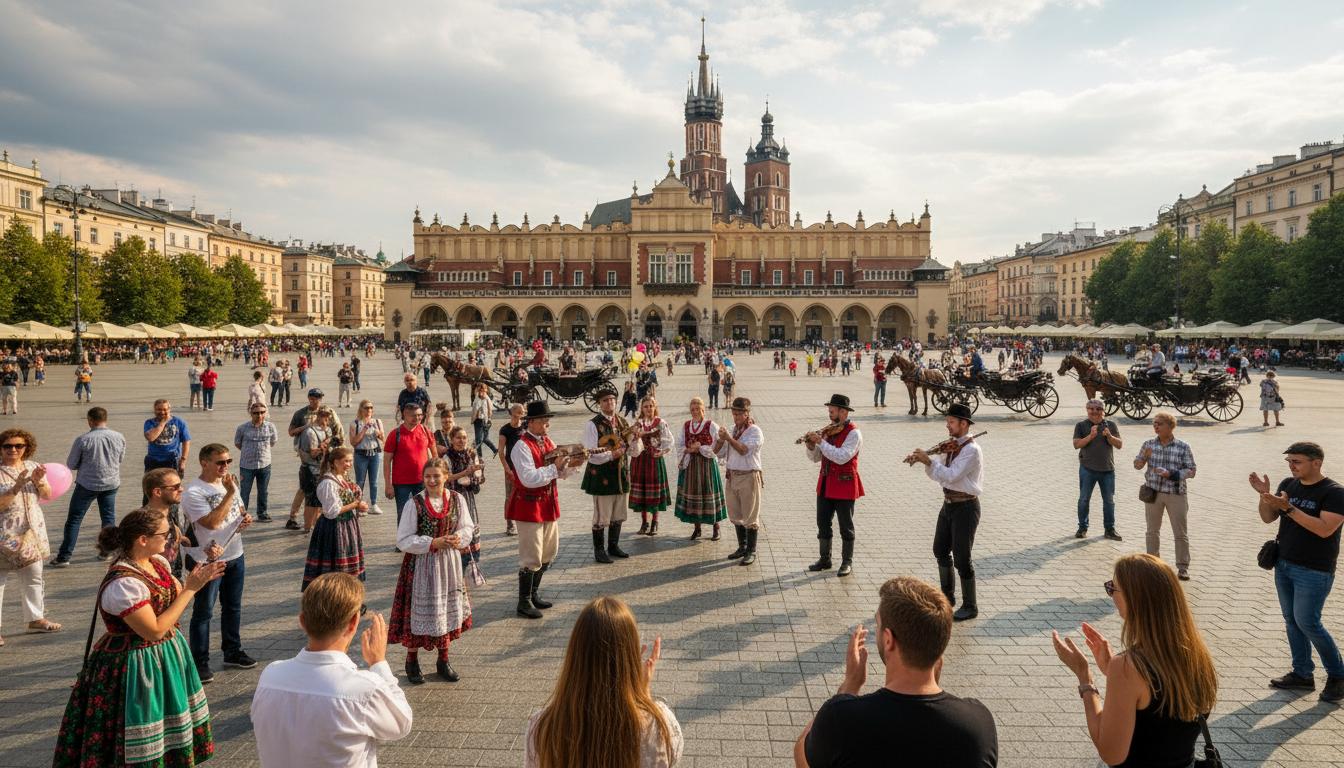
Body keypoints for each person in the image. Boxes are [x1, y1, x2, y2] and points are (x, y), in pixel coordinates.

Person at [53, 509, 225, 767]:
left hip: (166, 655)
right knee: (139, 725)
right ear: (142, 539)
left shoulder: (158, 562)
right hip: (134, 664)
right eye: (165, 534)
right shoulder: (123, 584)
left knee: (168, 723)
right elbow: (153, 629)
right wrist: (191, 589)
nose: (169, 538)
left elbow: (173, 600)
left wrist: (199, 576)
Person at [795, 576, 997, 767]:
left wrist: (850, 685)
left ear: (889, 639)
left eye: (878, 624)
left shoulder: (842, 719)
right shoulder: (978, 725)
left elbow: (802, 757)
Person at [1051, 554, 1218, 766]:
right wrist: (1111, 671)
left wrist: (1085, 679)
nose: (1110, 595)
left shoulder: (1128, 668)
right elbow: (1163, 717)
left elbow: (1111, 753)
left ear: (1135, 598)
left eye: (1113, 587)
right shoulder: (1196, 656)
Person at [251, 572, 413, 766]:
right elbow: (401, 723)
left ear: (302, 621)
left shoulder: (270, 676)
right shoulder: (364, 690)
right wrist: (379, 663)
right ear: (353, 622)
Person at [526, 595, 681, 767]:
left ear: (575, 655)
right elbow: (670, 759)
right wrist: (643, 694)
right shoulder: (661, 725)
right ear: (629, 657)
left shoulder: (542, 728)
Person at [1250, 441, 1344, 701]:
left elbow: (1324, 529)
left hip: (1315, 570)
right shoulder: (1288, 485)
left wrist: (1288, 508)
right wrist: (1265, 496)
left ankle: (1338, 675)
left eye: (1297, 461)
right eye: (1289, 462)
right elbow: (1268, 518)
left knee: (1308, 622)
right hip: (1284, 564)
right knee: (1292, 620)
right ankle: (1302, 674)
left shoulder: (1334, 492)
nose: (1292, 466)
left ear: (1317, 462)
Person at [390, 458, 477, 683]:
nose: (431, 480)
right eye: (427, 476)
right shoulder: (415, 503)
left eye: (436, 476)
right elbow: (403, 539)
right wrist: (431, 543)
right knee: (418, 612)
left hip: (448, 563)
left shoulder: (457, 499)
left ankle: (443, 659)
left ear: (446, 476)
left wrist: (459, 538)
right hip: (421, 565)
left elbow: (467, 526)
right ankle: (411, 660)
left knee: (444, 611)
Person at [181, 443, 256, 682]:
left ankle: (232, 651)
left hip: (235, 553)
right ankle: (199, 662)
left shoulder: (229, 483)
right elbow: (211, 523)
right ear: (204, 462)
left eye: (228, 462)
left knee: (232, 607)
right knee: (203, 612)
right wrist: (231, 493)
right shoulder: (194, 491)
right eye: (220, 462)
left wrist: (244, 518)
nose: (225, 466)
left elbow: (240, 509)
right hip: (206, 559)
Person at [904, 403, 983, 620]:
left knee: (962, 558)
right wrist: (926, 463)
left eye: (951, 422)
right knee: (940, 549)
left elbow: (951, 475)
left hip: (966, 506)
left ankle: (970, 605)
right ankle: (947, 597)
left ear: (964, 424)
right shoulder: (951, 446)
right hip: (948, 504)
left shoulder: (971, 450)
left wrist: (929, 460)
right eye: (947, 421)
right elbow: (938, 475)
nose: (947, 425)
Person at [508, 401, 584, 619]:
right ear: (531, 422)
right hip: (529, 505)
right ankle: (523, 601)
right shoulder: (521, 446)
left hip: (548, 503)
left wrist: (572, 465)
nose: (547, 423)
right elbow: (529, 478)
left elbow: (558, 474)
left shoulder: (547, 441)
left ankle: (534, 594)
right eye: (543, 420)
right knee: (531, 556)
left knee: (549, 552)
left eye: (547, 420)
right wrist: (555, 467)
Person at [0, 428, 61, 643]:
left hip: (31, 532)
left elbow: (47, 495)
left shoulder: (33, 466)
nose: (13, 450)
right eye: (7, 446)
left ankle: (35, 619)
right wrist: (16, 486)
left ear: (27, 448)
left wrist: (39, 481)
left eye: (18, 446)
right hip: (4, 534)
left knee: (34, 575)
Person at [53, 407, 126, 566]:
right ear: (105, 419)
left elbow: (71, 464)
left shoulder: (83, 440)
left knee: (74, 520)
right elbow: (120, 459)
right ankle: (106, 552)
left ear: (90, 420)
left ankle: (64, 557)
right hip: (111, 483)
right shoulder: (119, 437)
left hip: (87, 484)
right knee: (108, 518)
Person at [804, 394, 864, 578]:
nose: (829, 413)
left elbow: (841, 457)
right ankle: (825, 559)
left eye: (832, 410)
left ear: (843, 412)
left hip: (844, 484)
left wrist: (820, 441)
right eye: (829, 410)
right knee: (822, 523)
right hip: (825, 483)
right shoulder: (828, 431)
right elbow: (815, 459)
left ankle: (847, 562)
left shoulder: (854, 433)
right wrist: (811, 446)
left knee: (846, 525)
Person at [1134, 412, 1197, 581]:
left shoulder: (1183, 446)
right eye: (1154, 423)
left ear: (1170, 426)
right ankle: (1153, 565)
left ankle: (1183, 567)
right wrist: (1144, 457)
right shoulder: (1148, 444)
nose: (1156, 426)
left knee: (1180, 532)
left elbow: (1192, 470)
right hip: (1153, 493)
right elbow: (1137, 465)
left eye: (1160, 424)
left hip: (1176, 494)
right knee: (1152, 531)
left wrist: (1172, 474)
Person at [582, 388, 643, 563]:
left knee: (618, 513)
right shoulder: (593, 424)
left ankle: (613, 546)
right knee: (602, 515)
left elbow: (634, 452)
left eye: (612, 400)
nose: (609, 403)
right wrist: (612, 455)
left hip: (621, 475)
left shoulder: (623, 422)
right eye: (605, 400)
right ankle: (599, 550)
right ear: (599, 404)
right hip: (602, 476)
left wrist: (636, 439)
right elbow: (590, 454)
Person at [303, 446, 367, 590]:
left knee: (345, 567)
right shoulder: (328, 483)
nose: (349, 465)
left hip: (347, 527)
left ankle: (348, 597)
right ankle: (333, 598)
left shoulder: (340, 477)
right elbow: (333, 511)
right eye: (346, 461)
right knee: (334, 567)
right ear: (335, 462)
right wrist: (356, 504)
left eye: (351, 461)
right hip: (334, 529)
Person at [717, 396, 763, 566]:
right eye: (734, 414)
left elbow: (744, 450)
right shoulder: (732, 429)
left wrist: (728, 438)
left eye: (738, 414)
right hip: (732, 475)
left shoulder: (754, 431)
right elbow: (718, 453)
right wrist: (720, 439)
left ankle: (751, 550)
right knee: (735, 514)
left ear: (746, 413)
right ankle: (742, 546)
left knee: (750, 515)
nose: (735, 417)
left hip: (748, 475)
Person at [674, 396, 727, 542]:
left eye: (698, 409)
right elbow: (679, 444)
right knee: (694, 494)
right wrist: (688, 450)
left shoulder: (711, 425)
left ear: (703, 409)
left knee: (708, 493)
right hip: (691, 466)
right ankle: (697, 528)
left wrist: (701, 448)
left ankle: (716, 527)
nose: (695, 412)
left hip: (707, 466)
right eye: (692, 409)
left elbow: (718, 446)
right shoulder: (686, 426)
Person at [1073, 399, 1123, 541]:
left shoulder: (1110, 425)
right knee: (1084, 499)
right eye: (1091, 409)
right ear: (1087, 410)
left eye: (1098, 409)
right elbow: (1076, 444)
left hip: (1107, 469)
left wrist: (1109, 436)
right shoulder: (1081, 425)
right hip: (1087, 468)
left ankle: (1110, 529)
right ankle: (1082, 528)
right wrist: (1091, 436)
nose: (1095, 412)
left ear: (1103, 411)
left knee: (1109, 501)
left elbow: (1119, 445)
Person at [383, 403, 435, 525]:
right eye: (413, 415)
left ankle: (422, 541)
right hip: (401, 484)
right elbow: (386, 462)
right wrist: (388, 485)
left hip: (423, 482)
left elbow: (435, 457)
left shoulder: (425, 431)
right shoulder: (395, 434)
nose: (417, 418)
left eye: (419, 415)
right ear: (404, 415)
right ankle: (403, 543)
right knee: (403, 515)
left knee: (425, 514)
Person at [442, 425, 485, 568]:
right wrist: (465, 472)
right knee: (456, 524)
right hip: (453, 495)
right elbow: (446, 478)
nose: (462, 440)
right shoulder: (447, 456)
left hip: (468, 494)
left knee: (470, 523)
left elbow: (478, 475)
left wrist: (478, 475)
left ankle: (471, 557)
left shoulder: (472, 454)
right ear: (452, 440)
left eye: (464, 437)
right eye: (458, 438)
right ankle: (457, 558)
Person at [630, 395, 673, 536]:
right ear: (642, 408)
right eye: (646, 406)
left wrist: (662, 452)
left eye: (651, 406)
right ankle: (644, 522)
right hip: (640, 460)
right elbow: (630, 442)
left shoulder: (660, 422)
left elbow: (669, 441)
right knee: (642, 492)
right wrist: (634, 436)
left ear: (655, 407)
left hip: (654, 460)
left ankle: (655, 522)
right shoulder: (638, 423)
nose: (649, 408)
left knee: (654, 493)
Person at [233, 402, 278, 523]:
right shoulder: (242, 428)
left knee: (263, 490)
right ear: (250, 413)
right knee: (245, 491)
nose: (259, 415)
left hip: (265, 464)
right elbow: (237, 443)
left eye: (262, 412)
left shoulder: (271, 427)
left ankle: (262, 513)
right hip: (247, 465)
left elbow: (273, 442)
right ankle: (241, 515)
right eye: (256, 413)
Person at [286, 388, 326, 526]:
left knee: (322, 487)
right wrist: (307, 426)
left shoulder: (326, 412)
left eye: (319, 397)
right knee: (304, 488)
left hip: (324, 457)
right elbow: (291, 432)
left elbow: (336, 430)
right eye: (314, 397)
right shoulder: (301, 413)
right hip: (307, 456)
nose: (316, 400)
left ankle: (319, 518)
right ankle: (293, 517)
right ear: (309, 398)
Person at [142, 467, 188, 579]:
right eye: (175, 487)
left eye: (180, 485)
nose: (181, 489)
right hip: (157, 582)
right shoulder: (144, 522)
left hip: (176, 577)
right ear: (157, 492)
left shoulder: (173, 509)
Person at [298, 407, 337, 533]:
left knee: (320, 500)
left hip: (322, 469)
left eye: (329, 417)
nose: (327, 420)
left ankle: (316, 527)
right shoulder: (310, 432)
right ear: (318, 416)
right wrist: (323, 447)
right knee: (311, 501)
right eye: (324, 416)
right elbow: (313, 453)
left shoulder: (328, 430)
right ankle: (307, 528)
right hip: (310, 469)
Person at [349, 400, 386, 516]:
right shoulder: (355, 423)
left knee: (374, 481)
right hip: (361, 454)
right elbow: (353, 442)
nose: (369, 410)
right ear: (361, 409)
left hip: (374, 453)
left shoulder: (377, 422)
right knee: (360, 481)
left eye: (371, 408)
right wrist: (364, 430)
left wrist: (378, 432)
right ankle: (358, 505)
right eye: (366, 408)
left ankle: (373, 504)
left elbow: (383, 439)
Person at [144, 399, 192, 480]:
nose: (162, 412)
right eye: (159, 409)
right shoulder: (149, 423)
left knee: (171, 487)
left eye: (165, 409)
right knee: (150, 487)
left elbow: (186, 441)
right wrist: (163, 423)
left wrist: (183, 460)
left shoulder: (179, 422)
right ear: (154, 410)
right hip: (153, 460)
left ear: (169, 409)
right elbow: (151, 437)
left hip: (172, 460)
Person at [497, 403, 526, 536]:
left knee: (524, 494)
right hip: (511, 467)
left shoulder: (525, 427)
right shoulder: (505, 429)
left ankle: (523, 520)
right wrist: (506, 468)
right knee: (510, 496)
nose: (519, 416)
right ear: (512, 413)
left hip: (525, 467)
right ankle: (510, 524)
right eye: (517, 413)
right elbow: (501, 452)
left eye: (522, 413)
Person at [470, 383, 499, 456]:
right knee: (484, 439)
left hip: (481, 420)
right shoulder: (477, 396)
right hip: (479, 420)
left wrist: (489, 419)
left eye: (483, 390)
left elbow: (489, 410)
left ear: (486, 390)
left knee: (478, 439)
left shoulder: (485, 399)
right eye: (479, 390)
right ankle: (495, 450)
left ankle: (479, 456)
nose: (481, 392)